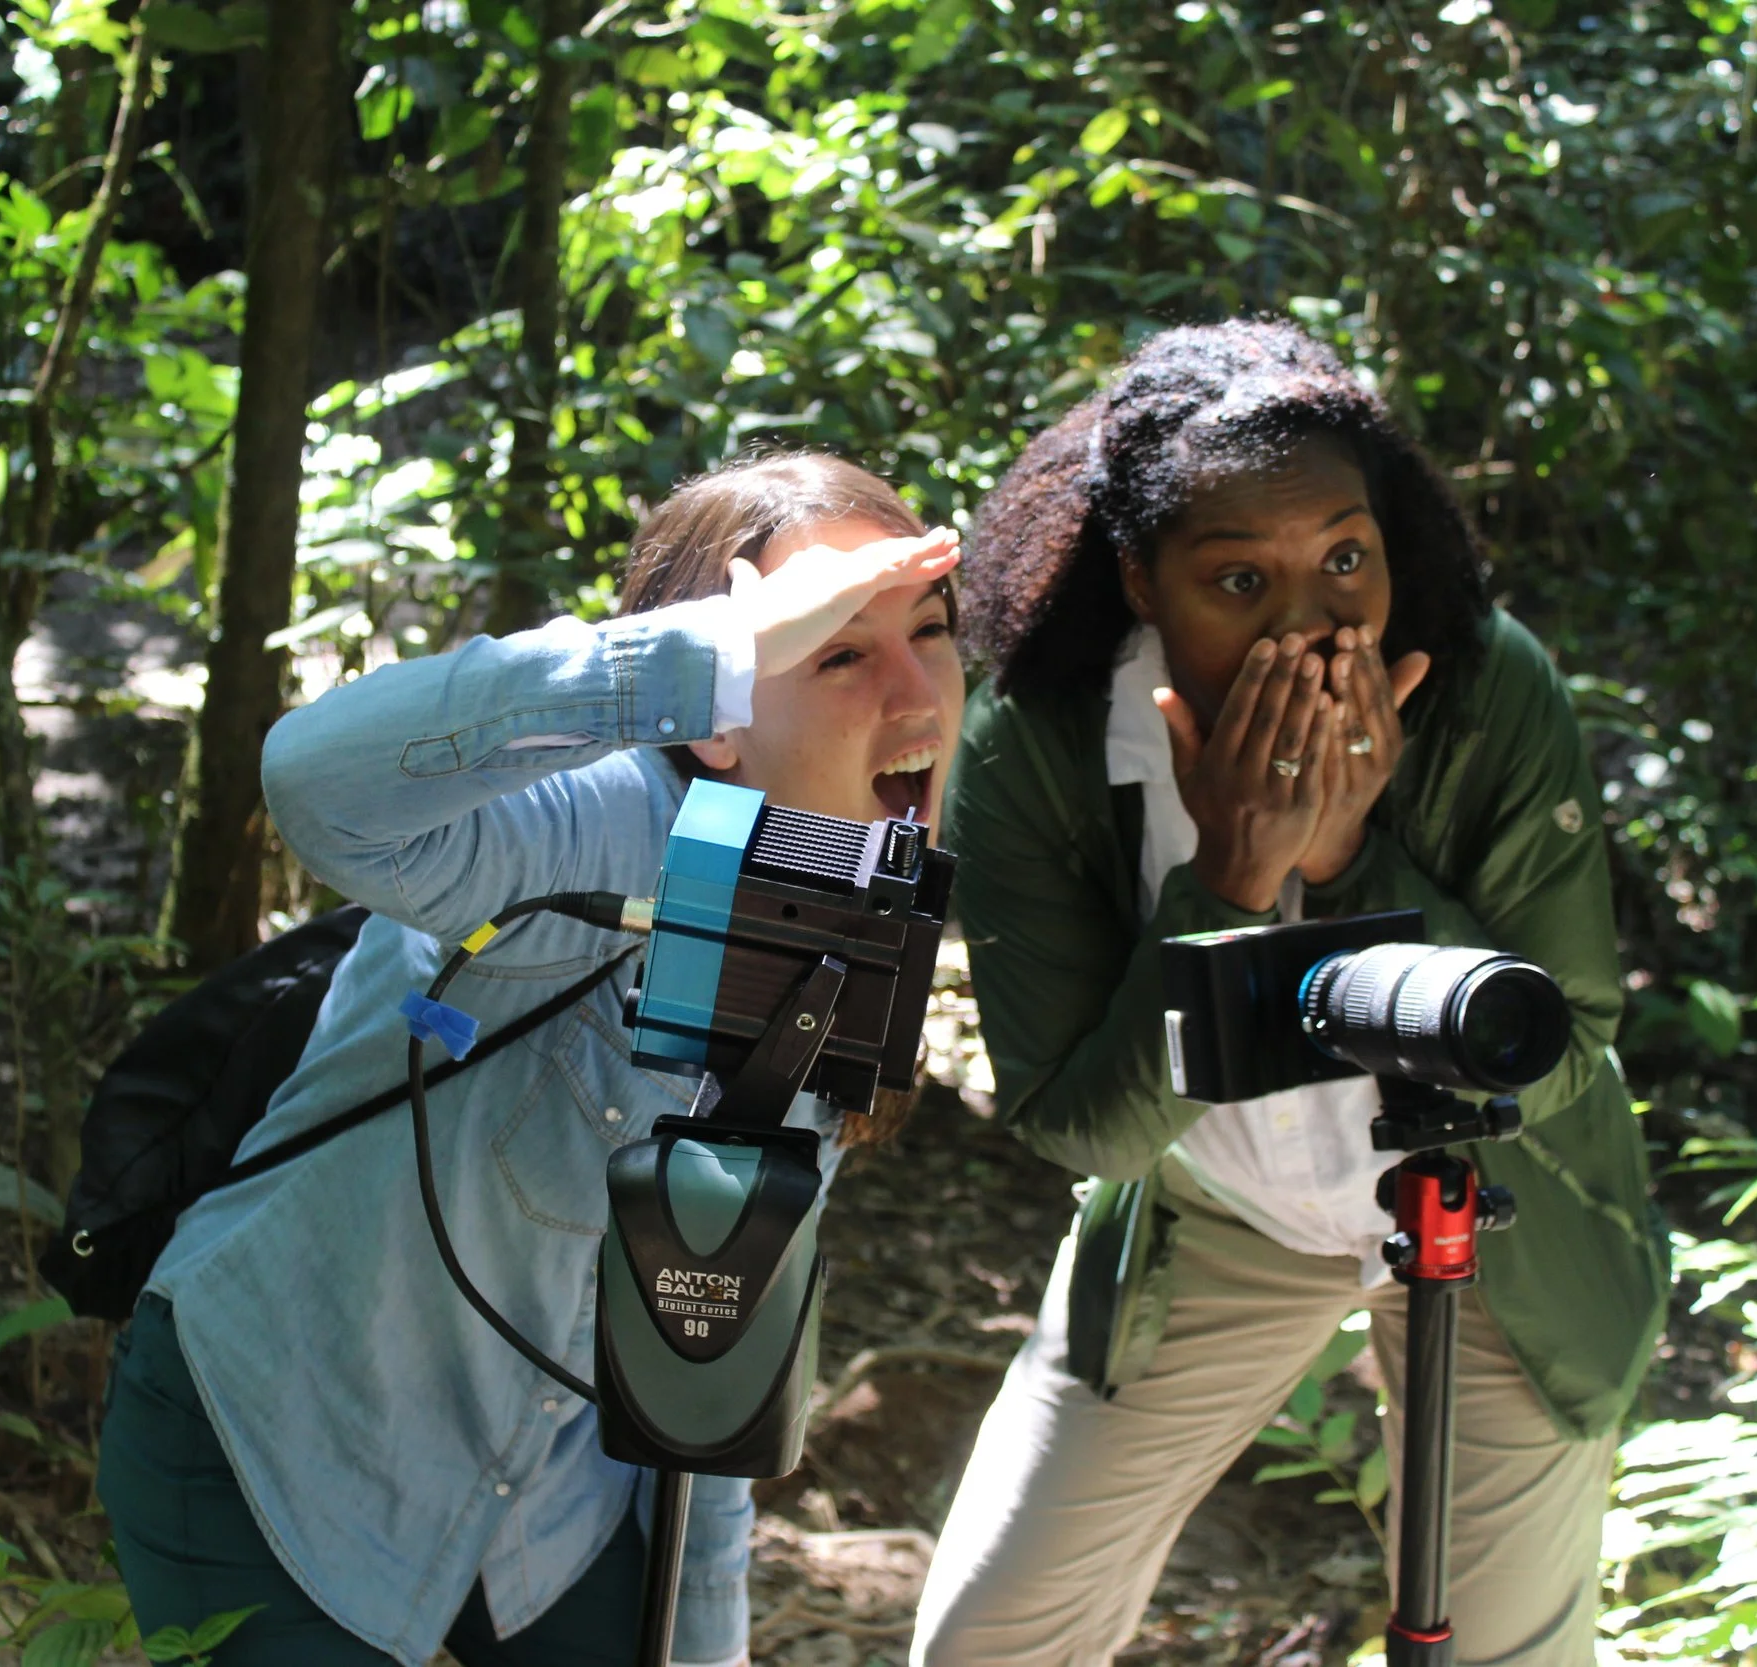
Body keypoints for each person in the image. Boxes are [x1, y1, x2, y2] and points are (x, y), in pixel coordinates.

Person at [97, 453, 965, 1667]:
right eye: (835, 650)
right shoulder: (580, 825)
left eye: (932, 631)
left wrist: (702, 1643)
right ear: (714, 720)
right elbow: (311, 780)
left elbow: (709, 1342)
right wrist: (701, 652)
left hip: (548, 1501)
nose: (918, 692)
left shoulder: (856, 907)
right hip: (274, 1450)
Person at [911, 321, 1668, 1667]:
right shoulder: (1039, 740)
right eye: (1239, 578)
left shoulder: (1485, 692)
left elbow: (1567, 1049)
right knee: (991, 1636)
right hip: (1218, 1206)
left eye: (1343, 559)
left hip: (1491, 1210)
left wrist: (1346, 856)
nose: (1310, 621)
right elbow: (1081, 1125)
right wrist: (1233, 879)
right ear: (1142, 580)